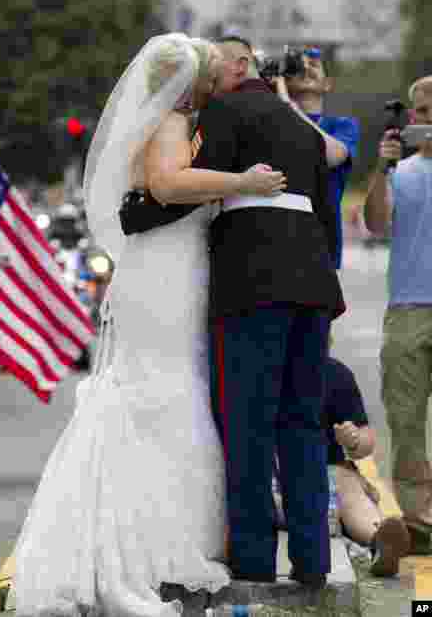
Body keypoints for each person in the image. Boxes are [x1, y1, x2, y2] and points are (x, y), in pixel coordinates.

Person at [12, 34, 287, 617]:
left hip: (174, 265)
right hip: (163, 273)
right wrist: (242, 183)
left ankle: (163, 533)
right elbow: (165, 186)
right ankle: (146, 545)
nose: (216, 87)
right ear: (187, 83)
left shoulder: (172, 122)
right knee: (161, 388)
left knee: (170, 383)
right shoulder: (167, 123)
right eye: (209, 77)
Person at [159, 35, 345, 586]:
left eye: (217, 68)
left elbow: (194, 184)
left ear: (240, 69)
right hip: (312, 285)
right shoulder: (300, 126)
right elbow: (326, 215)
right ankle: (313, 562)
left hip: (251, 285)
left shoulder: (226, 110)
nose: (209, 79)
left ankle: (255, 561)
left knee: (248, 426)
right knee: (303, 424)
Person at [362, 74, 432, 555]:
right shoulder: (401, 174)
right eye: (423, 113)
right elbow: (376, 224)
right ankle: (420, 522)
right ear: (411, 118)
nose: (429, 121)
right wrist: (381, 170)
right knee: (406, 420)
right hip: (408, 307)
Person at [318, 357, 410, 577]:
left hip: (327, 475)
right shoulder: (259, 371)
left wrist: (353, 440)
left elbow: (365, 442)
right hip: (274, 478)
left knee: (347, 482)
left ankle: (380, 541)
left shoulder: (335, 374)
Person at [275, 47, 358, 270]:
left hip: (322, 245)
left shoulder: (341, 126)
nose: (307, 68)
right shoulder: (271, 121)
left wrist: (287, 105)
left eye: (314, 64)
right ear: (284, 79)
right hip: (276, 241)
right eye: (298, 66)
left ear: (328, 84)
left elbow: (332, 156)